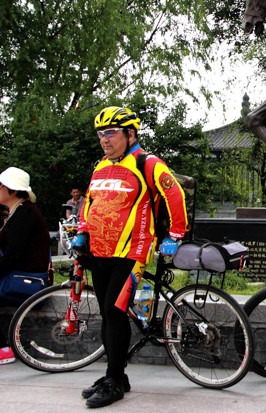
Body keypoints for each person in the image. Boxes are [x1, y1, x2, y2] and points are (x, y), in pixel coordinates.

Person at [74, 106, 188, 408]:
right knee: (107, 313)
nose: (104, 139)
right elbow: (91, 202)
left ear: (130, 133)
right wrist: (83, 230)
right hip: (99, 250)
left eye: (110, 132)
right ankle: (117, 375)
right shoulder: (101, 166)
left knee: (114, 311)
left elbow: (174, 194)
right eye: (101, 134)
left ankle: (114, 380)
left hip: (132, 251)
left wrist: (175, 235)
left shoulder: (147, 163)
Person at [0, 167, 51, 364]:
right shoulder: (16, 212)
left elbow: (13, 256)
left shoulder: (25, 214)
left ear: (11, 190)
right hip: (18, 275)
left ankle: (3, 348)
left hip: (26, 280)